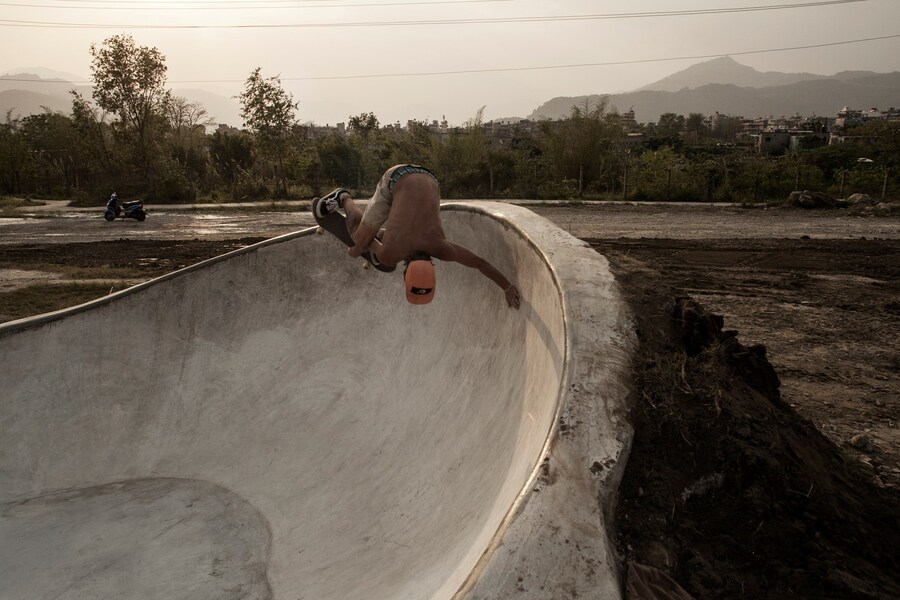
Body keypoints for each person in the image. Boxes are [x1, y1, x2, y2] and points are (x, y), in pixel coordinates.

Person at [314, 164, 520, 309]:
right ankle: (342, 197)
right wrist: (356, 250)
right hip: (394, 180)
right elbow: (363, 245)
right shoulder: (393, 253)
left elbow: (480, 263)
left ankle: (376, 229)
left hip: (429, 178)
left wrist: (508, 287)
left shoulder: (441, 247)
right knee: (359, 239)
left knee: (375, 238)